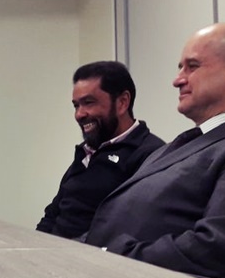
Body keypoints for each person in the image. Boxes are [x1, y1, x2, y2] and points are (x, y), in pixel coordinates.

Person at [85, 23, 225, 278]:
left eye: (192, 66)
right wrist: (68, 250)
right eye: (180, 68)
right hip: (104, 277)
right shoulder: (179, 145)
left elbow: (217, 248)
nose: (177, 80)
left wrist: (109, 257)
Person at [36, 61, 164, 239]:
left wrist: (64, 251)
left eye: (88, 103)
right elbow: (53, 214)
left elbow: (129, 229)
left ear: (122, 102)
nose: (79, 114)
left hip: (88, 254)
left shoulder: (152, 155)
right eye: (76, 105)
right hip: (51, 251)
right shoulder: (86, 152)